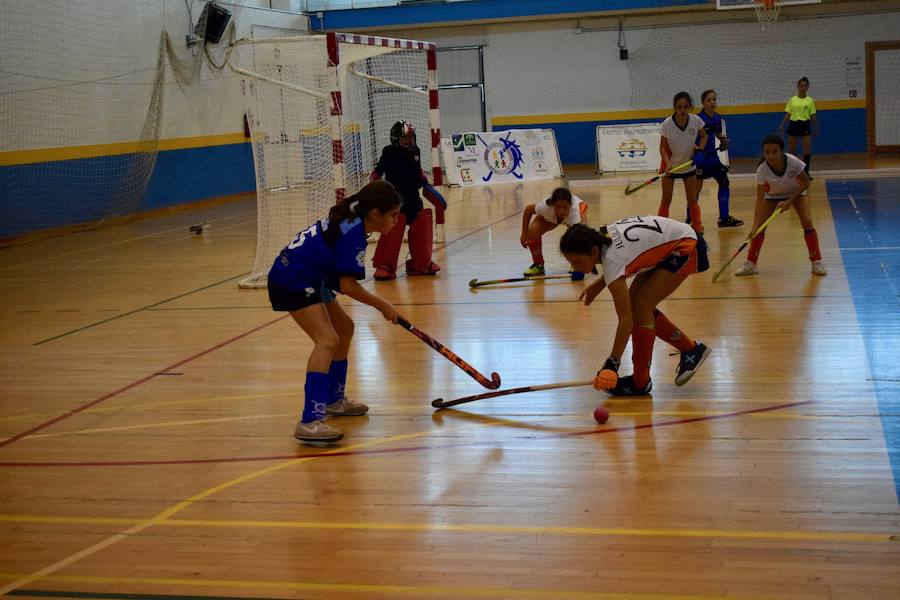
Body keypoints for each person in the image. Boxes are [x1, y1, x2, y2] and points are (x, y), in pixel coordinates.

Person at [267, 181, 405, 443]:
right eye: (393, 215)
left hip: (313, 276)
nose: (396, 221)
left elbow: (339, 279)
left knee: (345, 328)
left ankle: (334, 400)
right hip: (291, 279)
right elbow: (347, 285)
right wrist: (383, 305)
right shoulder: (353, 232)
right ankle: (310, 421)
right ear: (375, 213)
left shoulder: (355, 221)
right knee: (327, 339)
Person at [560, 217, 710, 396]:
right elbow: (624, 257)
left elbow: (625, 320)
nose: (574, 267)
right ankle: (692, 349)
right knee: (637, 307)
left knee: (640, 308)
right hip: (672, 243)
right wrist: (601, 284)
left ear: (593, 251)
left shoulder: (612, 258)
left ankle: (641, 381)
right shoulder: (600, 236)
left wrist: (612, 364)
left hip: (685, 247)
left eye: (577, 261)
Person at [734, 134, 826, 277]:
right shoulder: (762, 170)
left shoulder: (792, 162)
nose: (770, 156)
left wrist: (790, 201)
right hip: (772, 196)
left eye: (774, 152)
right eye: (767, 152)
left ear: (782, 151)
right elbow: (760, 199)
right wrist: (755, 226)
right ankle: (751, 264)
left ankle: (816, 262)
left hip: (796, 193)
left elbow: (805, 182)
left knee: (807, 222)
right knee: (759, 228)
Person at [370, 120, 446, 281]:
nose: (410, 141)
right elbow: (376, 174)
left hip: (413, 198)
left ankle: (421, 263)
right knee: (393, 226)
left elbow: (418, 172)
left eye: (412, 137)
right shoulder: (389, 152)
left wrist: (427, 186)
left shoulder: (415, 151)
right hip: (394, 201)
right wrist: (377, 190)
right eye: (406, 138)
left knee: (422, 221)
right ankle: (386, 265)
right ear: (396, 139)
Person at [658, 92, 707, 234]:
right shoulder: (667, 124)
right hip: (670, 167)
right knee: (666, 200)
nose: (682, 110)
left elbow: (704, 136)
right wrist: (667, 163)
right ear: (675, 108)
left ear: (690, 107)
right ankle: (660, 230)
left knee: (692, 199)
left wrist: (700, 151)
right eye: (679, 107)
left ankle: (697, 226)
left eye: (686, 107)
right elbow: (662, 147)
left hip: (688, 165)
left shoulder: (696, 120)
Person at [694, 89, 743, 228]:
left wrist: (723, 139)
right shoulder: (698, 120)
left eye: (714, 99)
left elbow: (717, 132)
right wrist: (696, 153)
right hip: (701, 160)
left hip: (714, 159)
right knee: (695, 191)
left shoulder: (717, 118)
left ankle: (724, 218)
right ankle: (691, 220)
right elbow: (691, 138)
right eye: (708, 100)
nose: (712, 102)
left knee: (724, 183)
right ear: (703, 103)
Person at [520, 187, 588, 277]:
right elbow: (528, 209)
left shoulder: (575, 210)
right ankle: (538, 265)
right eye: (558, 207)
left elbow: (580, 235)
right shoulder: (545, 206)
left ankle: (576, 262)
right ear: (552, 205)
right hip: (552, 219)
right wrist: (524, 234)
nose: (562, 211)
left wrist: (580, 266)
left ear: (570, 205)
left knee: (579, 236)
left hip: (575, 217)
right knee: (532, 231)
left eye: (565, 207)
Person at [778, 77, 818, 179]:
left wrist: (816, 128)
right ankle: (791, 171)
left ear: (808, 87)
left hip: (805, 124)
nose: (803, 88)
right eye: (801, 86)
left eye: (805, 86)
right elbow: (788, 113)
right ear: (798, 86)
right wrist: (782, 124)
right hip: (794, 125)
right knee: (791, 150)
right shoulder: (793, 100)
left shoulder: (810, 101)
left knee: (806, 149)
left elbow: (813, 116)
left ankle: (806, 172)